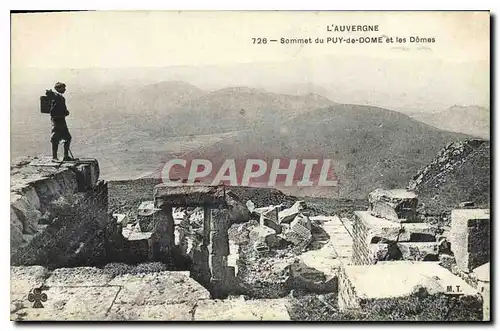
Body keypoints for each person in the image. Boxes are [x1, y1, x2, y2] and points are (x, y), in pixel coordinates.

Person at [46, 82, 73, 161]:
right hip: (57, 120)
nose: (64, 89)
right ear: (58, 88)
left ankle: (65, 156)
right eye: (63, 88)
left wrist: (65, 112)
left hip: (61, 120)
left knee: (67, 138)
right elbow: (51, 95)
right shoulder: (56, 96)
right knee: (55, 138)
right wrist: (49, 93)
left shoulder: (60, 97)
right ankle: (55, 157)